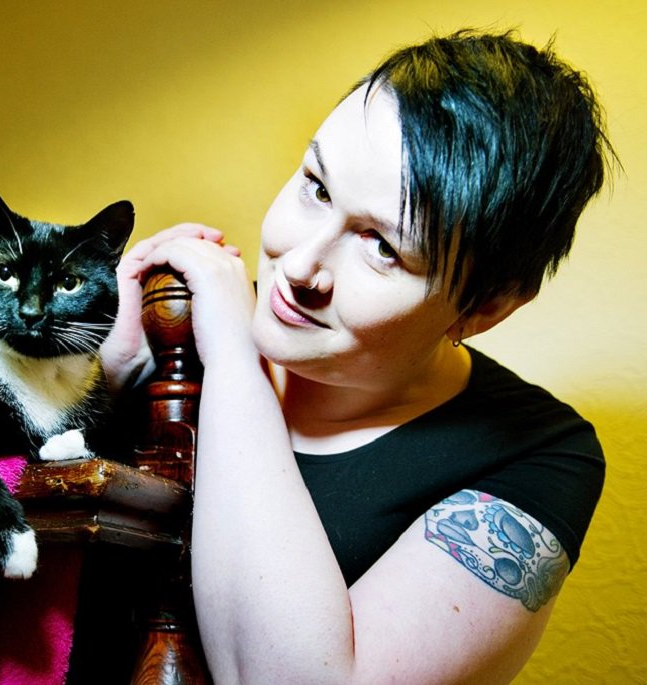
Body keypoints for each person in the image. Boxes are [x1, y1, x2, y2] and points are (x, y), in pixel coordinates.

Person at [101, 30, 613, 683]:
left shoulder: (540, 455)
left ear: (486, 308)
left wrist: (234, 356)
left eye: (382, 247)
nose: (300, 264)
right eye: (316, 187)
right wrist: (101, 380)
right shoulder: (173, 329)